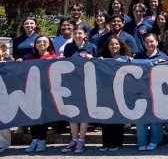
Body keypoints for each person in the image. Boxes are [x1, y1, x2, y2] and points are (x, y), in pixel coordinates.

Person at [61, 24, 98, 154]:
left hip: (87, 84)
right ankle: (74, 139)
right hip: (71, 84)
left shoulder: (92, 47)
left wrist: (92, 59)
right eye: (75, 33)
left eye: (80, 33)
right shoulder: (68, 47)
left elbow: (98, 65)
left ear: (85, 35)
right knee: (72, 112)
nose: (77, 35)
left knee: (83, 111)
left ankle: (81, 140)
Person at [98, 36, 132, 152]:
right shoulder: (103, 59)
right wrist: (99, 63)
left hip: (120, 92)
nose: (114, 46)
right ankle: (106, 143)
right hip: (106, 92)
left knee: (118, 119)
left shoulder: (126, 59)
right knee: (106, 118)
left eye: (116, 44)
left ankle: (117, 143)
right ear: (107, 46)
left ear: (120, 45)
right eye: (111, 44)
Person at [133, 34, 167, 151]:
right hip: (141, 91)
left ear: (157, 42)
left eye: (151, 41)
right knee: (140, 116)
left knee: (155, 117)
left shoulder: (163, 56)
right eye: (147, 42)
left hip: (157, 92)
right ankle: (142, 141)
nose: (149, 44)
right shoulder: (138, 56)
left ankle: (154, 141)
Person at [24, 35, 57, 153]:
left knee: (44, 116)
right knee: (33, 116)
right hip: (31, 91)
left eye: (44, 41)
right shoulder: (28, 58)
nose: (41, 43)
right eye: (39, 42)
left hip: (47, 91)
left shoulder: (54, 58)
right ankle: (34, 140)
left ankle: (42, 140)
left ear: (49, 44)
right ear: (35, 44)